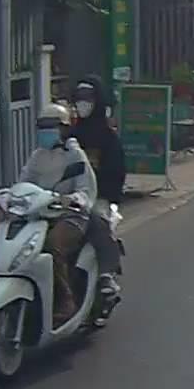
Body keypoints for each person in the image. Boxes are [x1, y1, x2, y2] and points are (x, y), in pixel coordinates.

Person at [16, 103, 98, 328]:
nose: (45, 131)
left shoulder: (75, 155)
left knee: (53, 246)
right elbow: (24, 182)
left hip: (71, 215)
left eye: (50, 126)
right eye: (42, 126)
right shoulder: (38, 156)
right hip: (40, 215)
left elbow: (86, 191)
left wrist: (70, 199)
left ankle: (65, 301)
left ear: (64, 128)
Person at [70, 77, 125, 303]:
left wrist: (100, 193)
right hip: (68, 197)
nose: (82, 103)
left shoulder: (108, 138)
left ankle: (106, 275)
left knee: (98, 222)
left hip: (98, 197)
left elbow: (116, 173)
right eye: (78, 99)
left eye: (87, 99)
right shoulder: (70, 135)